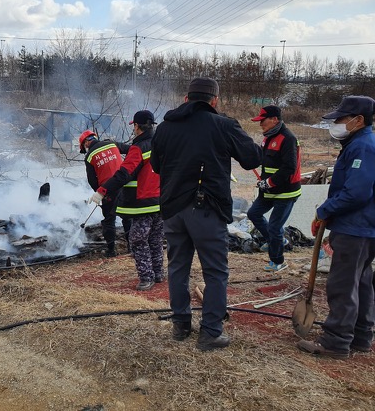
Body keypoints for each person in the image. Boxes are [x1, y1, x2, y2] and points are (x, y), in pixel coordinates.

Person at [150, 77, 261, 351]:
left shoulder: (164, 128)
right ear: (214, 101)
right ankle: (210, 332)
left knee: (177, 268)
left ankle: (181, 325)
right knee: (215, 272)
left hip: (173, 211)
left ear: (187, 98)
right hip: (207, 210)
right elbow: (252, 159)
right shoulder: (223, 125)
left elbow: (155, 165)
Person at [297, 95, 375, 359]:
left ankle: (336, 341)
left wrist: (324, 211)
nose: (336, 124)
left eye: (341, 119)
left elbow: (357, 192)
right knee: (361, 281)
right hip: (364, 227)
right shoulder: (359, 143)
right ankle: (361, 336)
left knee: (343, 284)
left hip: (355, 228)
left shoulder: (363, 147)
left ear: (358, 120)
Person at [89, 110, 163, 290]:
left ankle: (147, 277)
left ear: (137, 127)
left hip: (142, 203)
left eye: (134, 126)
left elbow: (124, 174)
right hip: (160, 200)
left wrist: (102, 190)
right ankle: (158, 273)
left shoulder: (139, 148)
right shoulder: (160, 143)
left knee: (138, 239)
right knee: (155, 238)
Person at [247, 105, 301, 272]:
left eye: (263, 121)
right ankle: (277, 241)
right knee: (253, 213)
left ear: (274, 120)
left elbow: (289, 168)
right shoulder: (268, 137)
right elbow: (266, 162)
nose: (260, 124)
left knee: (275, 227)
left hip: (286, 191)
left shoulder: (288, 138)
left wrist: (269, 182)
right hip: (269, 190)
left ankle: (278, 262)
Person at [79, 130, 130, 257]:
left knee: (109, 220)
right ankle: (132, 247)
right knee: (128, 216)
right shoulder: (112, 144)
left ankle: (111, 251)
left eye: (84, 146)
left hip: (108, 189)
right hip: (125, 184)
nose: (85, 148)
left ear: (86, 142)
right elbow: (132, 150)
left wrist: (101, 193)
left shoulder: (89, 156)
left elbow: (92, 180)